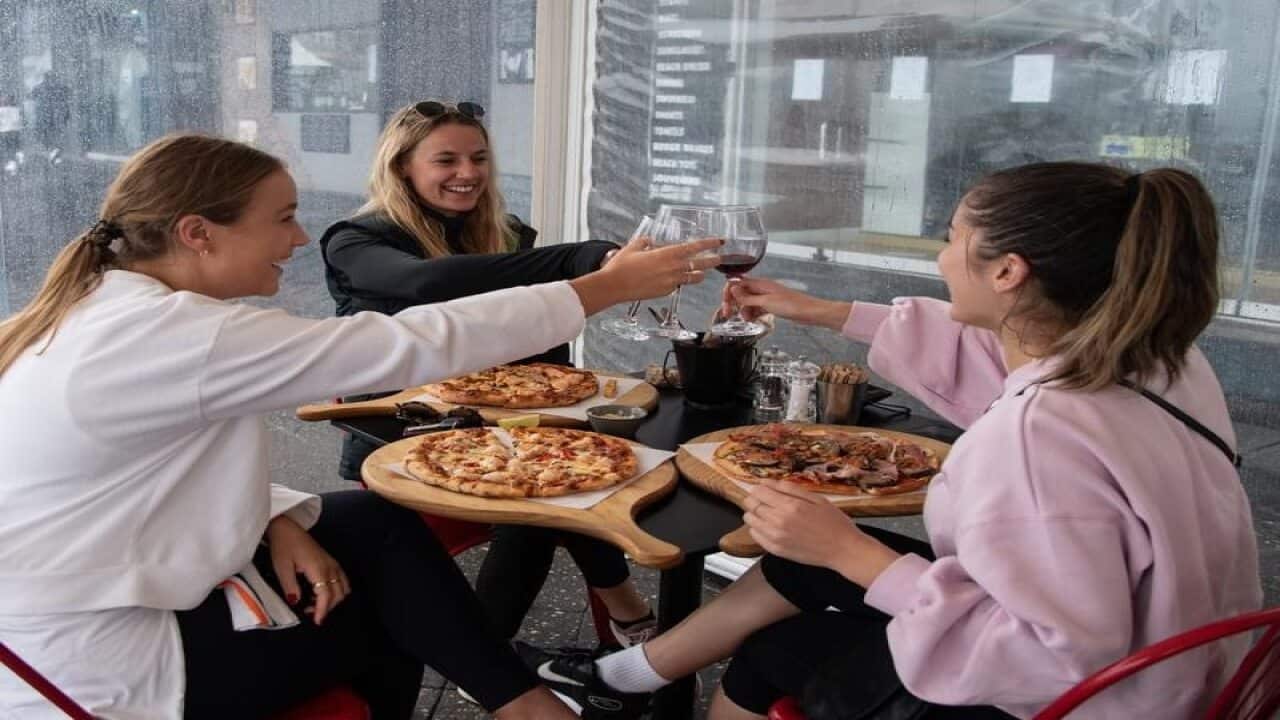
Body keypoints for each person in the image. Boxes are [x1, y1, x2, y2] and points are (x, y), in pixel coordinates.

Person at [0, 133, 721, 720]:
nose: (299, 233)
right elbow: (413, 340)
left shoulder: (92, 310)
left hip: (60, 613)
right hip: (98, 669)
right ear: (197, 233)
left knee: (372, 522)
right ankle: (525, 702)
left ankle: (524, 704)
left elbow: (119, 472)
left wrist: (276, 520)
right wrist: (604, 286)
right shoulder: (177, 335)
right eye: (281, 216)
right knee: (394, 609)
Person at [521, 162, 1263, 720]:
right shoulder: (1157, 361)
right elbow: (984, 354)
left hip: (1100, 699)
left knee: (780, 648)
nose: (941, 261)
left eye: (952, 242)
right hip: (1195, 659)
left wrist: (851, 549)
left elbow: (1055, 654)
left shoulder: (1040, 435)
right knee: (802, 566)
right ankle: (625, 681)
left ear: (1008, 271)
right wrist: (817, 309)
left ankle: (633, 685)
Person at [321, 99, 656, 647]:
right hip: (404, 429)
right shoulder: (355, 240)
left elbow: (539, 344)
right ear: (403, 166)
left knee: (564, 473)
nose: (468, 174)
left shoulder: (506, 233)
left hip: (494, 423)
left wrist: (604, 258)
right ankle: (507, 657)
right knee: (537, 506)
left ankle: (613, 625)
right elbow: (432, 283)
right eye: (446, 160)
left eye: (478, 158)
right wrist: (578, 261)